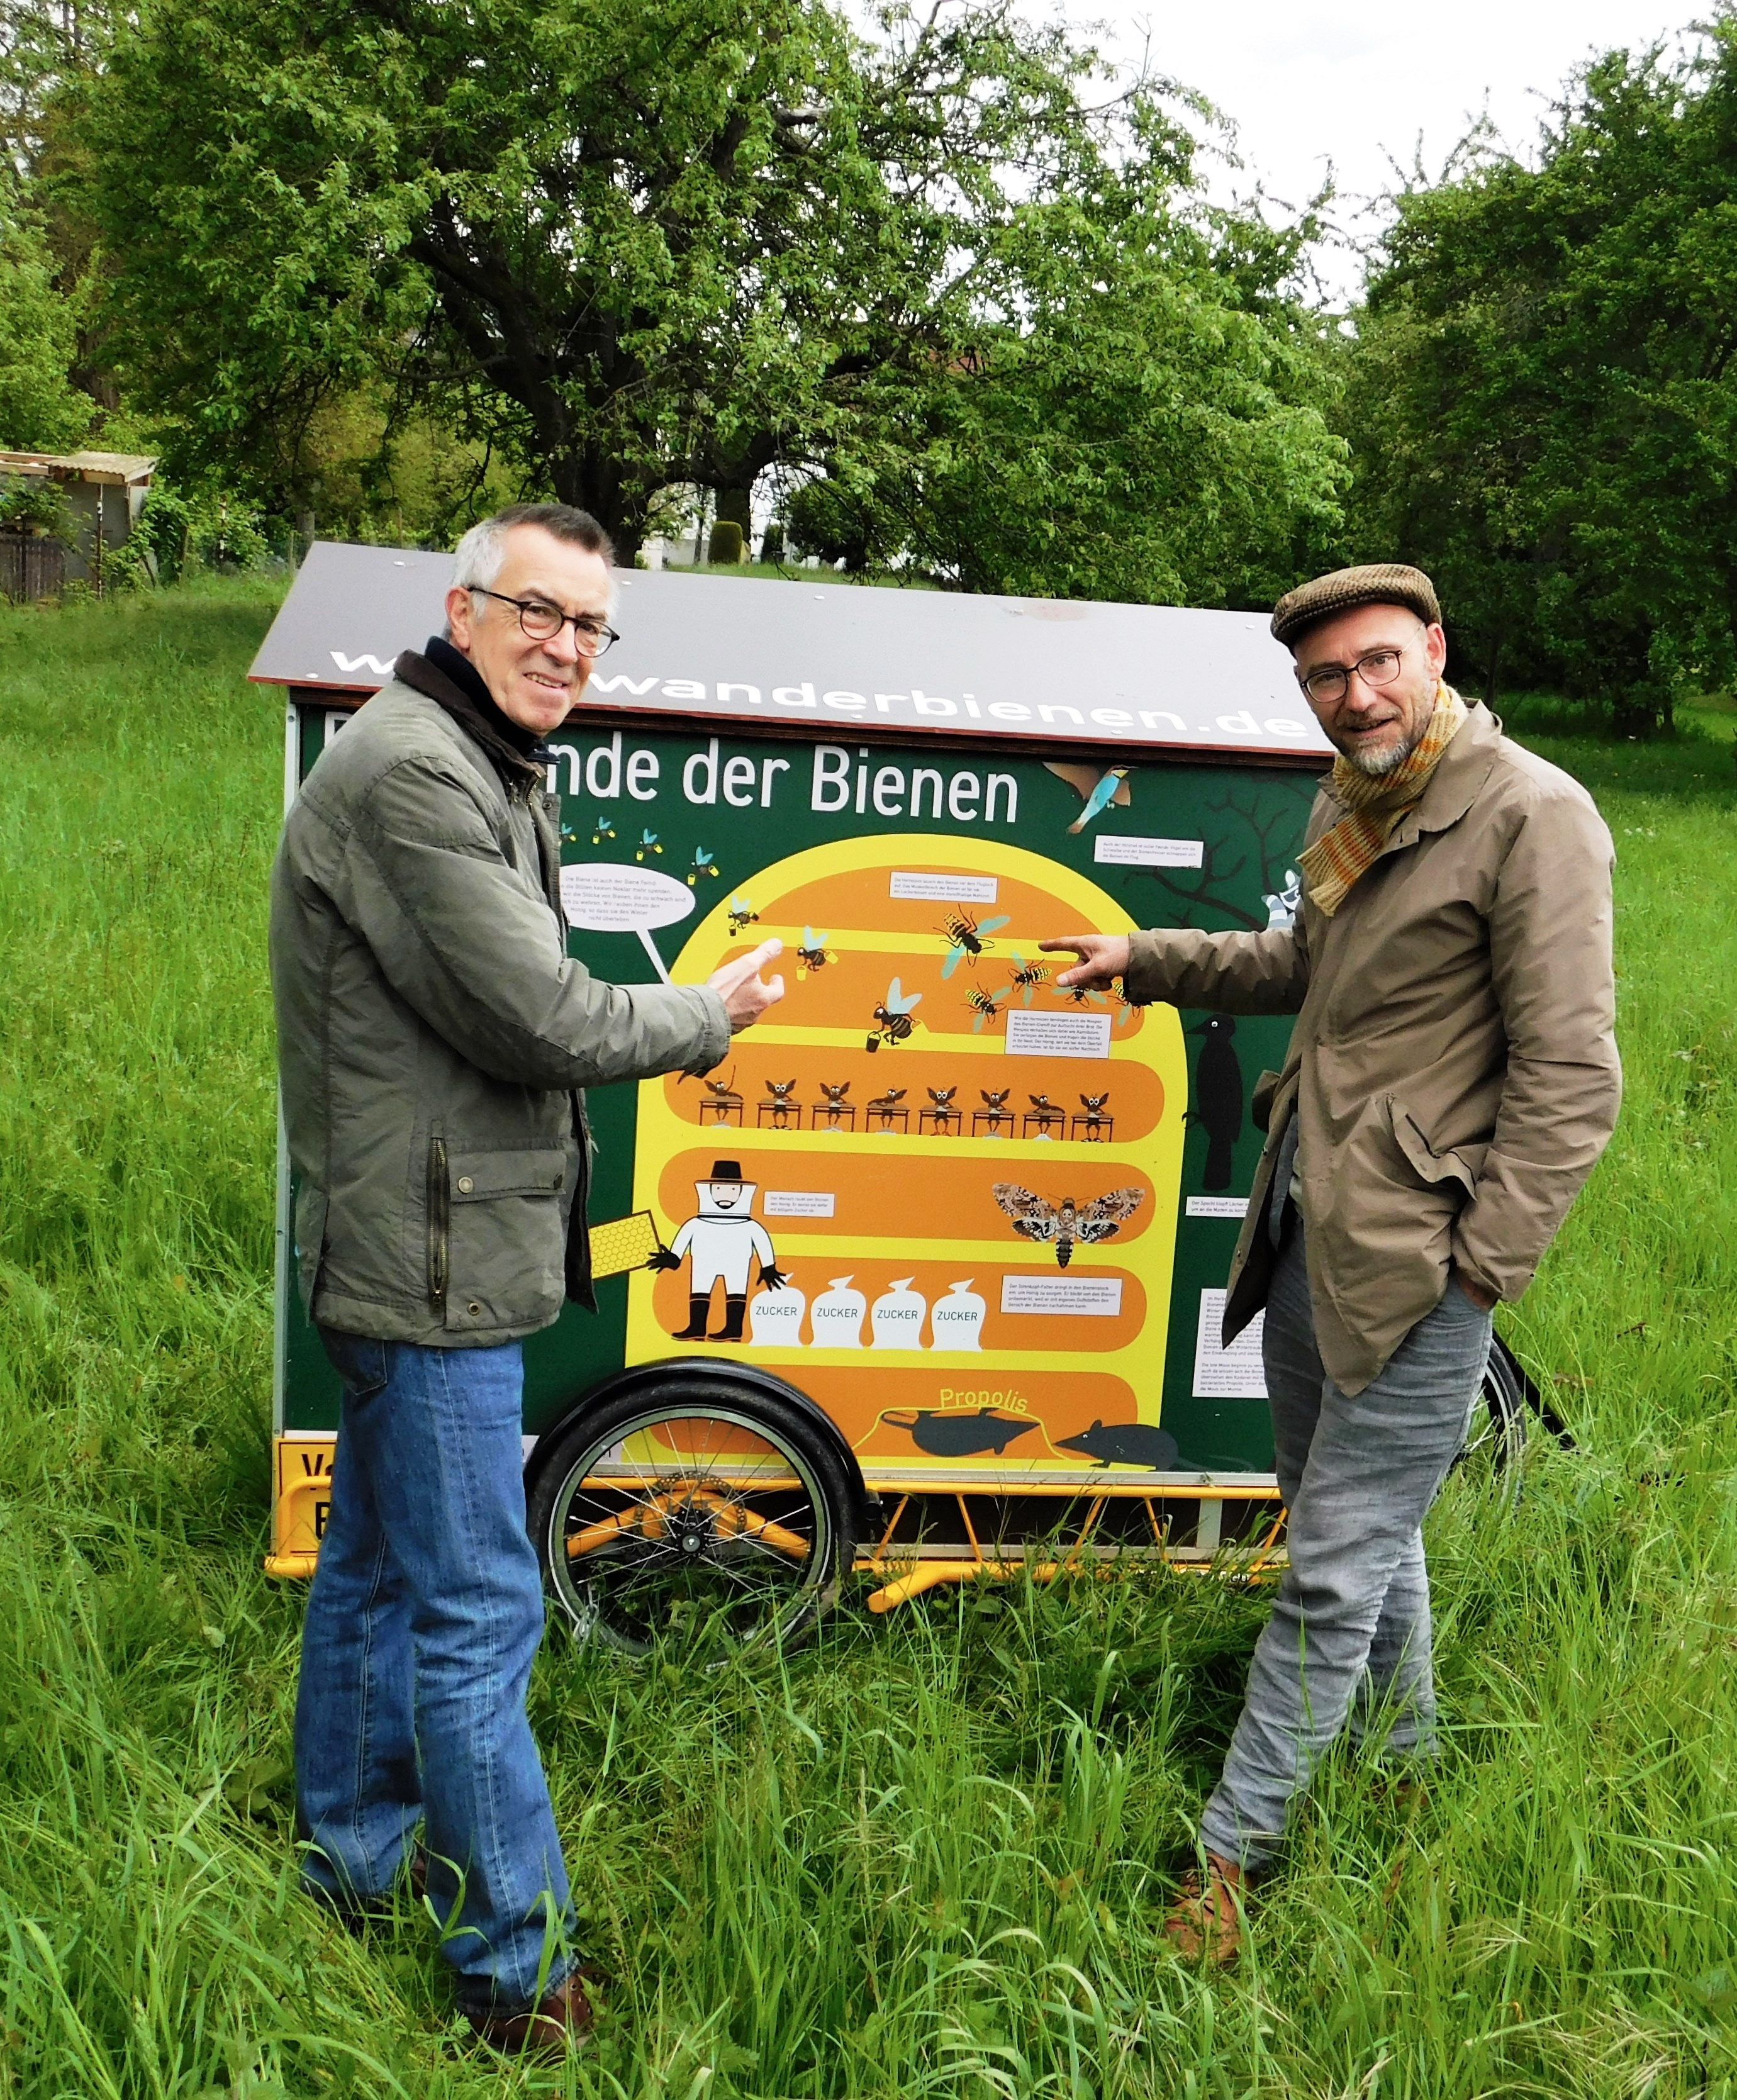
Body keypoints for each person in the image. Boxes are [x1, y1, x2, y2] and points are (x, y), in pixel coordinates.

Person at [1042, 562, 1621, 1963]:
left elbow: (1572, 1076)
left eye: (1375, 663)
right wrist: (1144, 954)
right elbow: (1304, 967)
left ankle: (1230, 1859)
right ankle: (1403, 1766)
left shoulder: (1532, 815)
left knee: (1325, 1563)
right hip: (1311, 1226)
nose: (1353, 693)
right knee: (1357, 1529)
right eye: (1323, 678)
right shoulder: (1358, 799)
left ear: (1432, 650)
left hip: (1423, 1263)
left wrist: (1481, 1269)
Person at [270, 502, 785, 2054]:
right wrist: (711, 1012)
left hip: (415, 1241)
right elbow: (547, 1022)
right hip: (425, 1266)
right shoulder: (418, 774)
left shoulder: (468, 753)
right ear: (463, 607)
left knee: (373, 1567)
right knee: (481, 1608)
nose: (565, 645)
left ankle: (352, 1860)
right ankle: (513, 1970)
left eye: (589, 625)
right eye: (537, 611)